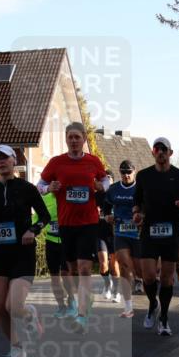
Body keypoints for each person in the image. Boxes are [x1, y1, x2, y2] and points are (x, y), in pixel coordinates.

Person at [0, 145, 51, 357]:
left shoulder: (27, 188)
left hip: (22, 253)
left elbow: (44, 217)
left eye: (5, 158)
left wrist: (32, 231)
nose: (1, 162)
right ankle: (16, 348)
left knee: (13, 306)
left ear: (13, 161)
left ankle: (29, 314)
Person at [37, 122, 109, 333]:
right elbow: (38, 185)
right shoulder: (56, 163)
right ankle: (82, 299)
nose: (74, 140)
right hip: (66, 224)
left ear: (84, 139)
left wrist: (100, 186)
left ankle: (82, 316)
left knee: (85, 268)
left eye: (78, 137)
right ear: (66, 139)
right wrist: (49, 187)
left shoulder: (93, 161)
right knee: (72, 270)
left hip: (88, 222)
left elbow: (106, 180)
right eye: (70, 137)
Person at [133, 137, 179, 336]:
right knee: (148, 275)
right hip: (149, 230)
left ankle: (164, 318)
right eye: (157, 149)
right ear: (153, 152)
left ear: (170, 153)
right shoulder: (143, 176)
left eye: (164, 149)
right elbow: (137, 201)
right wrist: (137, 214)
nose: (160, 152)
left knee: (167, 278)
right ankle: (152, 304)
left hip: (171, 231)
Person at [104, 160, 140, 318]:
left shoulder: (140, 189)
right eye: (123, 172)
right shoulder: (113, 189)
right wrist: (108, 216)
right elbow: (106, 206)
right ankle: (128, 306)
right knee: (124, 264)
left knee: (140, 269)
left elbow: (148, 206)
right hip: (121, 231)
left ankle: (148, 291)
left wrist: (142, 215)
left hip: (138, 233)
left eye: (129, 172)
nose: (126, 175)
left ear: (134, 172)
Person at [39, 187, 77, 319]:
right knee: (54, 276)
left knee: (66, 273)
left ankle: (72, 302)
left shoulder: (70, 199)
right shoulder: (44, 199)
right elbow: (37, 217)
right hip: (51, 241)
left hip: (67, 242)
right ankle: (61, 306)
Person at [96, 182, 120, 302]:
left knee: (114, 266)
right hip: (100, 234)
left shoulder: (116, 194)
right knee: (103, 264)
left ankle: (116, 291)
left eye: (108, 179)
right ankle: (107, 284)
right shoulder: (95, 196)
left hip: (115, 234)